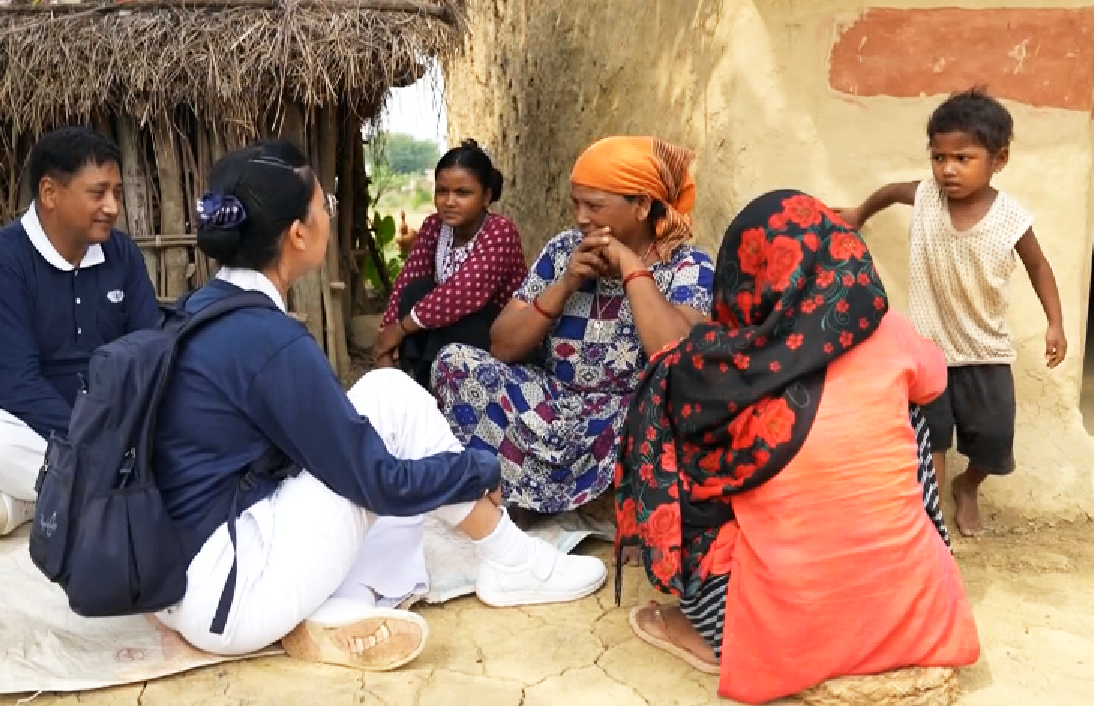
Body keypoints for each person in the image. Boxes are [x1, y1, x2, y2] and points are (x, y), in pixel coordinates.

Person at [152, 140, 607, 667]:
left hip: (181, 583)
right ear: (298, 234)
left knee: (377, 429)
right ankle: (513, 560)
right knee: (390, 404)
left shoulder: (202, 307)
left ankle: (346, 603)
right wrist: (476, 467)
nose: (328, 216)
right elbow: (381, 483)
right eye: (325, 206)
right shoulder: (271, 340)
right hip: (232, 595)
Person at [617, 190, 979, 704]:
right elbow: (935, 377)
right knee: (912, 413)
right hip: (919, 619)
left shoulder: (712, 371)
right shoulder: (887, 331)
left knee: (677, 448)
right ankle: (899, 583)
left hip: (776, 634)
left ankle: (709, 633)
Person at [433, 136, 715, 514]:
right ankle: (527, 497)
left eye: (594, 206)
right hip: (552, 406)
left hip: (622, 421)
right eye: (576, 203)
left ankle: (615, 503)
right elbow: (501, 346)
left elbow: (679, 357)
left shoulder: (688, 266)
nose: (581, 217)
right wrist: (565, 284)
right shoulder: (563, 250)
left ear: (643, 206)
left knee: (668, 406)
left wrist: (632, 267)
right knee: (454, 363)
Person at [836, 88, 1065, 537]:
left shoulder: (1010, 218)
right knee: (932, 439)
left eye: (963, 158)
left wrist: (1055, 323)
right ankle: (931, 524)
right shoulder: (925, 197)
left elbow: (1039, 265)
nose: (948, 169)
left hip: (986, 351)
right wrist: (859, 213)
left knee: (994, 445)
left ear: (998, 159)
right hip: (928, 348)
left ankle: (968, 484)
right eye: (939, 157)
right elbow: (889, 192)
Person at [0, 127, 161, 537]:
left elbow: (151, 350)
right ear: (49, 193)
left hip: (106, 433)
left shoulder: (122, 254)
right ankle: (124, 486)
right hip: (23, 429)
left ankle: (34, 499)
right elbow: (17, 387)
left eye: (116, 192)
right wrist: (103, 443)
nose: (112, 207)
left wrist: (129, 427)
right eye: (98, 193)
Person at [374, 140, 527, 387]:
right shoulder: (434, 226)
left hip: (494, 333)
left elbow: (463, 294)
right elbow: (408, 280)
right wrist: (385, 339)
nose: (449, 201)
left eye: (463, 193)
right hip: (447, 327)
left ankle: (435, 389)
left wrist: (400, 329)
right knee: (416, 291)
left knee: (457, 313)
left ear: (486, 196)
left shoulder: (500, 232)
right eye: (442, 191)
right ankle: (417, 384)